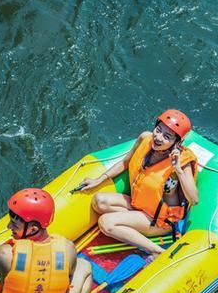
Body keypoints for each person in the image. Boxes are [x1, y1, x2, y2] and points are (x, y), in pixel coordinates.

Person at [79, 109, 198, 260]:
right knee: (99, 201)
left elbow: (194, 199)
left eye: (166, 137)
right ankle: (132, 223)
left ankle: (157, 251)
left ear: (176, 142)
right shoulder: (145, 139)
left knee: (106, 222)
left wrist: (179, 171)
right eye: (158, 130)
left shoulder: (182, 162)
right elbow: (125, 163)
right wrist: (98, 180)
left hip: (160, 220)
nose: (158, 137)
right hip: (138, 205)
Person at [0, 188, 92, 293]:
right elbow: (68, 279)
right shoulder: (68, 249)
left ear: (32, 228)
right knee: (85, 266)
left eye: (14, 224)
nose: (9, 227)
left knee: (4, 270)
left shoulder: (4, 254)